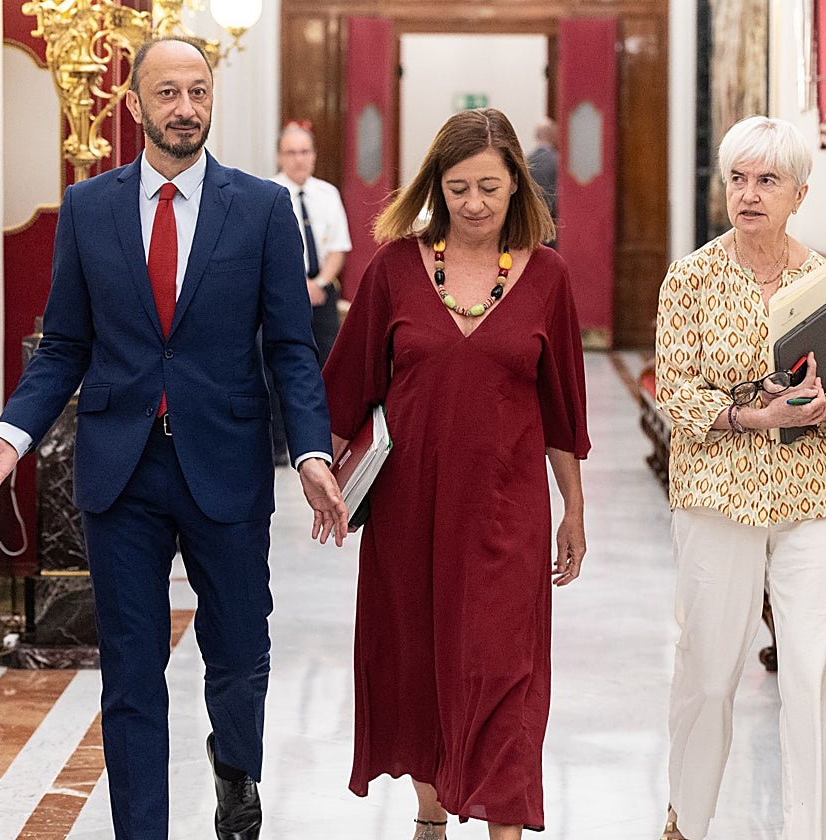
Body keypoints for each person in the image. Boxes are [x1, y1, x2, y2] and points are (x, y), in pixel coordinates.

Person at [0, 36, 348, 840]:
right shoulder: (89, 209)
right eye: (167, 93)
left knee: (238, 656)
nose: (185, 108)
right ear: (135, 105)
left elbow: (292, 348)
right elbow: (65, 346)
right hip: (119, 474)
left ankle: (236, 767)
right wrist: (13, 436)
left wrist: (309, 453)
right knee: (130, 674)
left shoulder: (261, 207)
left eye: (198, 92)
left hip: (225, 467)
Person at [320, 107, 590, 840]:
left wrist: (574, 507)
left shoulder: (549, 278)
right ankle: (431, 817)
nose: (473, 203)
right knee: (418, 662)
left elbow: (563, 409)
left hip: (508, 515)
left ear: (517, 191)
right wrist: (323, 477)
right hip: (409, 513)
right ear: (436, 187)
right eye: (458, 186)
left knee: (506, 671)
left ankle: (503, 826)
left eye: (490, 188)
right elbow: (345, 392)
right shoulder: (395, 269)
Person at [653, 115, 826, 840]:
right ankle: (685, 821)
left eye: (767, 181)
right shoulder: (689, 280)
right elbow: (678, 396)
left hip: (812, 498)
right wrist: (753, 416)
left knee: (812, 675)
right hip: (718, 496)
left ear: (798, 194)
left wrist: (818, 407)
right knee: (709, 670)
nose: (749, 194)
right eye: (738, 179)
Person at [267, 121, 352, 464]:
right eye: (291, 153)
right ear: (279, 157)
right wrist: (296, 287)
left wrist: (318, 284)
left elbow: (338, 247)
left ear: (313, 156)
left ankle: (324, 442)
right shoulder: (268, 193)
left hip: (322, 291)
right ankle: (279, 444)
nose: (299, 159)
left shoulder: (327, 194)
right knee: (278, 367)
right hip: (282, 294)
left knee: (327, 364)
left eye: (304, 152)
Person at [525, 118, 558, 248]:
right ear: (553, 135)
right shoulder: (557, 161)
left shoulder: (527, 160)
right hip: (552, 220)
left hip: (531, 217)